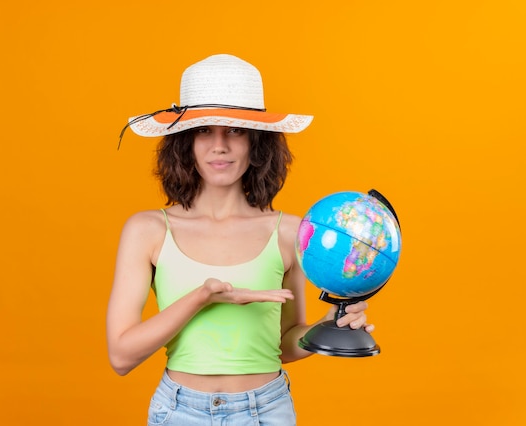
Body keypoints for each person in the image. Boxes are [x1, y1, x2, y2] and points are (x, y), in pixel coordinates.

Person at [107, 54, 374, 425]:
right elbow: (121, 356)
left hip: (266, 410)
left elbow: (280, 346)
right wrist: (201, 297)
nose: (220, 146)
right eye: (204, 130)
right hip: (179, 412)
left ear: (257, 142)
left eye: (235, 130)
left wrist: (328, 325)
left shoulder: (290, 232)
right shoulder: (147, 230)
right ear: (184, 142)